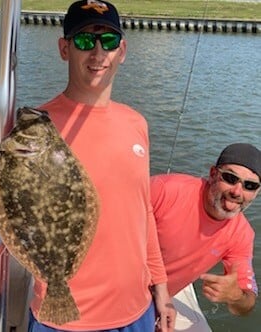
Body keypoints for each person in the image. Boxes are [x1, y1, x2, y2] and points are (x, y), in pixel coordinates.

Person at [28, 1, 175, 331]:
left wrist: (161, 289)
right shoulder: (36, 127)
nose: (97, 54)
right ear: (64, 49)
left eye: (107, 41)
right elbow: (21, 214)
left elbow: (143, 212)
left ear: (122, 50)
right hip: (62, 314)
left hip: (135, 310)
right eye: (83, 41)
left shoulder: (136, 123)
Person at [151, 143, 261, 316]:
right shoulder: (165, 190)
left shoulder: (242, 235)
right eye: (230, 178)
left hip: (153, 304)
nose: (237, 192)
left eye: (250, 186)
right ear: (212, 174)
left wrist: (235, 296)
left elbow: (246, 305)